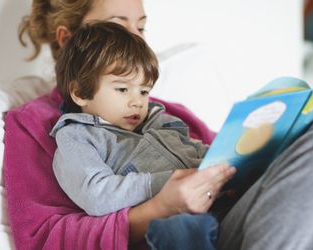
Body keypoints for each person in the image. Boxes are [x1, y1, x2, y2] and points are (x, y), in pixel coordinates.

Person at [5, 0, 313, 249]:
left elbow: (220, 155)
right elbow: (44, 238)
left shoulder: (162, 111)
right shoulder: (42, 127)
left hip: (235, 212)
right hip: (191, 231)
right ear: (69, 40)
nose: (137, 40)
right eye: (118, 25)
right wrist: (161, 206)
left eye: (140, 27)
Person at [50, 21, 236, 220]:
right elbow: (96, 195)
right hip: (175, 220)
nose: (137, 101)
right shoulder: (77, 137)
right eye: (122, 89)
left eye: (144, 91)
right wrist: (163, 182)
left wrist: (227, 168)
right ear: (79, 93)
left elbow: (199, 153)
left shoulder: (162, 122)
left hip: (221, 199)